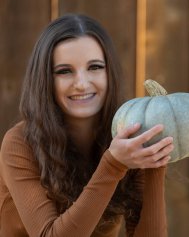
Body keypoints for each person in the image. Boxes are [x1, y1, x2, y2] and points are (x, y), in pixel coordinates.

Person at [0, 14, 173, 237]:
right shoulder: (20, 143)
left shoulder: (129, 139)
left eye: (95, 67)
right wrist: (113, 165)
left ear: (109, 73)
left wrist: (155, 165)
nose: (81, 84)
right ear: (45, 80)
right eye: (64, 71)